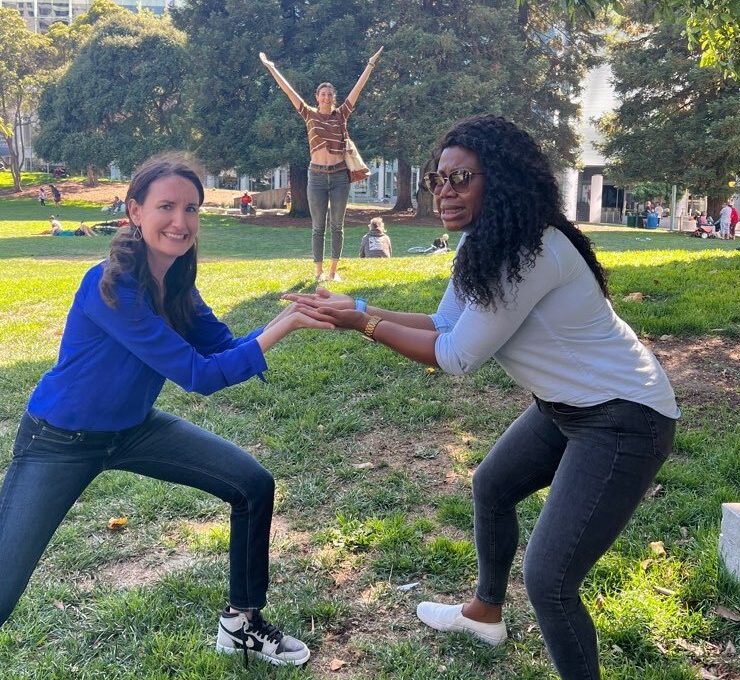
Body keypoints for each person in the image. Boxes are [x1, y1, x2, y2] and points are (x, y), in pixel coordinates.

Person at [0, 154, 333, 676]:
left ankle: (241, 626)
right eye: (166, 207)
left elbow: (223, 349)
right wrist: (283, 327)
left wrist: (289, 314)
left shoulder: (176, 286)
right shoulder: (110, 286)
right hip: (58, 442)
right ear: (135, 211)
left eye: (192, 209)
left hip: (131, 430)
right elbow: (199, 376)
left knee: (251, 483)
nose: (181, 221)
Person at [285, 115, 679, 680]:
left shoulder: (532, 250)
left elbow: (456, 356)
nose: (445, 192)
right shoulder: (485, 242)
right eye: (437, 179)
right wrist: (360, 309)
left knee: (550, 580)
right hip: (565, 408)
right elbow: (445, 322)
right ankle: (484, 612)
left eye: (461, 178)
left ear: (502, 178)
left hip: (625, 419)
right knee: (492, 485)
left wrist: (362, 326)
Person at [260, 47, 383, 283]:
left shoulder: (341, 115)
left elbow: (358, 90)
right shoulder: (309, 114)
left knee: (337, 225)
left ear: (333, 98)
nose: (326, 97)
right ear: (317, 97)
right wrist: (271, 67)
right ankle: (318, 273)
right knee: (318, 227)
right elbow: (289, 91)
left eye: (329, 94)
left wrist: (370, 65)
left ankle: (333, 272)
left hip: (339, 177)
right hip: (316, 177)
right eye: (322, 94)